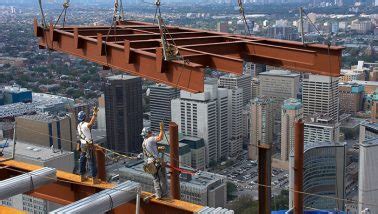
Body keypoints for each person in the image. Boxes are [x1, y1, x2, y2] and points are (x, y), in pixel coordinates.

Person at [140, 122, 168, 199]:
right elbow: (160, 138)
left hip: (150, 163)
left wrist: (157, 149)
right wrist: (161, 129)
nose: (151, 133)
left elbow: (148, 153)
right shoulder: (150, 139)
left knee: (155, 179)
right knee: (162, 178)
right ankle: (164, 194)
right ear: (147, 133)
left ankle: (158, 194)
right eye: (150, 132)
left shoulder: (144, 143)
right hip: (156, 162)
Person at [77, 107, 99, 184]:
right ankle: (94, 179)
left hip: (83, 145)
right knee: (92, 161)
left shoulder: (79, 125)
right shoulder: (85, 125)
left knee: (82, 160)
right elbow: (91, 123)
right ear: (85, 117)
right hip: (88, 145)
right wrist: (95, 114)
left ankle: (82, 176)